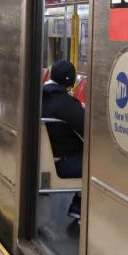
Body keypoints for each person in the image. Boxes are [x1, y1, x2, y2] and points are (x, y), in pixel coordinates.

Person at [41, 60, 84, 219]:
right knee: (98, 161)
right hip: (61, 166)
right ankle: (79, 205)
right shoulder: (68, 104)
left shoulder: (33, 98)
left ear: (50, 75)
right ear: (71, 83)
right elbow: (87, 132)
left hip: (34, 163)